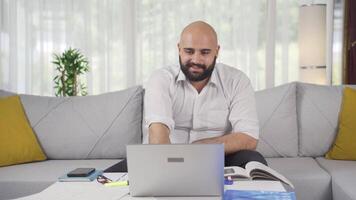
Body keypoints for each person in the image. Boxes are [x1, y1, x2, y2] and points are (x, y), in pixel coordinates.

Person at [144, 21, 267, 167]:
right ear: (179, 49)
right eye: (189, 51)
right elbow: (158, 134)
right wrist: (171, 169)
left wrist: (199, 148)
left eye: (205, 52)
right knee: (111, 176)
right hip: (166, 158)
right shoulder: (161, 78)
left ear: (217, 51)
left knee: (253, 159)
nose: (196, 60)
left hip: (216, 158)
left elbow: (249, 137)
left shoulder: (237, 80)